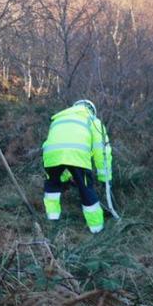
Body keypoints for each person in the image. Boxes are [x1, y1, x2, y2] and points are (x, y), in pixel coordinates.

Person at [41, 99, 113, 234]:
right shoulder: (93, 121)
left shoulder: (59, 118)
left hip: (51, 156)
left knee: (52, 186)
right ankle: (97, 229)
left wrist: (67, 176)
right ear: (92, 110)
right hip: (77, 157)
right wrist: (105, 176)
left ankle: (52, 220)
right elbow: (102, 151)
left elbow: (61, 148)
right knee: (86, 190)